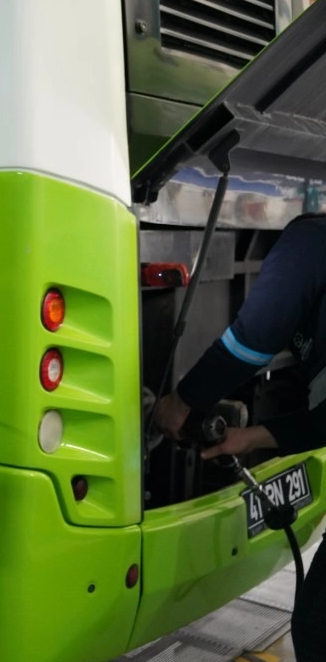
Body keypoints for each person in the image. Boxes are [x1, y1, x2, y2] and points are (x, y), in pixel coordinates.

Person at [154, 213, 326, 662]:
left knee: (318, 625)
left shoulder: (311, 237)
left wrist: (183, 400)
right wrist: (250, 438)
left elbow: (254, 340)